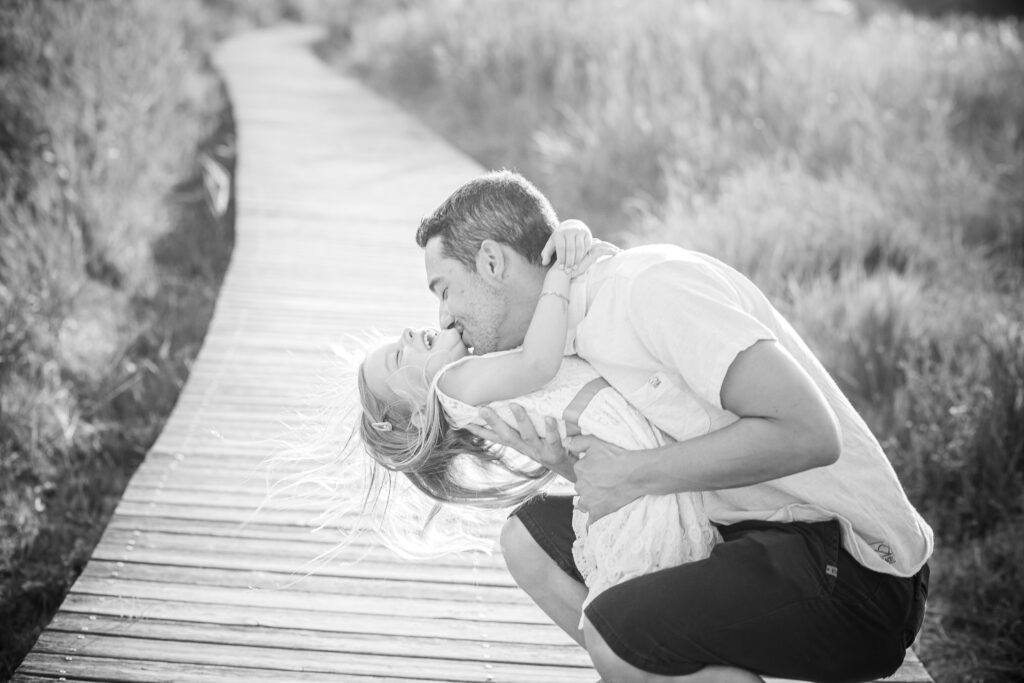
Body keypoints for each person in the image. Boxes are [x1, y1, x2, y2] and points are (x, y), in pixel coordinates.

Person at [415, 169, 934, 683]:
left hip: (856, 574)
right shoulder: (567, 335)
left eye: (445, 290)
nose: (442, 319)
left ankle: (640, 662)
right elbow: (653, 473)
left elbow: (810, 432)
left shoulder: (649, 290)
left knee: (614, 633)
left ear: (490, 261)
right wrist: (580, 468)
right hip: (743, 531)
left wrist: (632, 474)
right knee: (528, 541)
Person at [357, 219, 721, 633]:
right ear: (422, 414)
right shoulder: (451, 386)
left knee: (656, 631)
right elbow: (538, 361)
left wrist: (566, 234)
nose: (406, 333)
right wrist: (559, 274)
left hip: (638, 464)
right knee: (649, 631)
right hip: (638, 479)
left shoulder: (471, 378)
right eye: (397, 357)